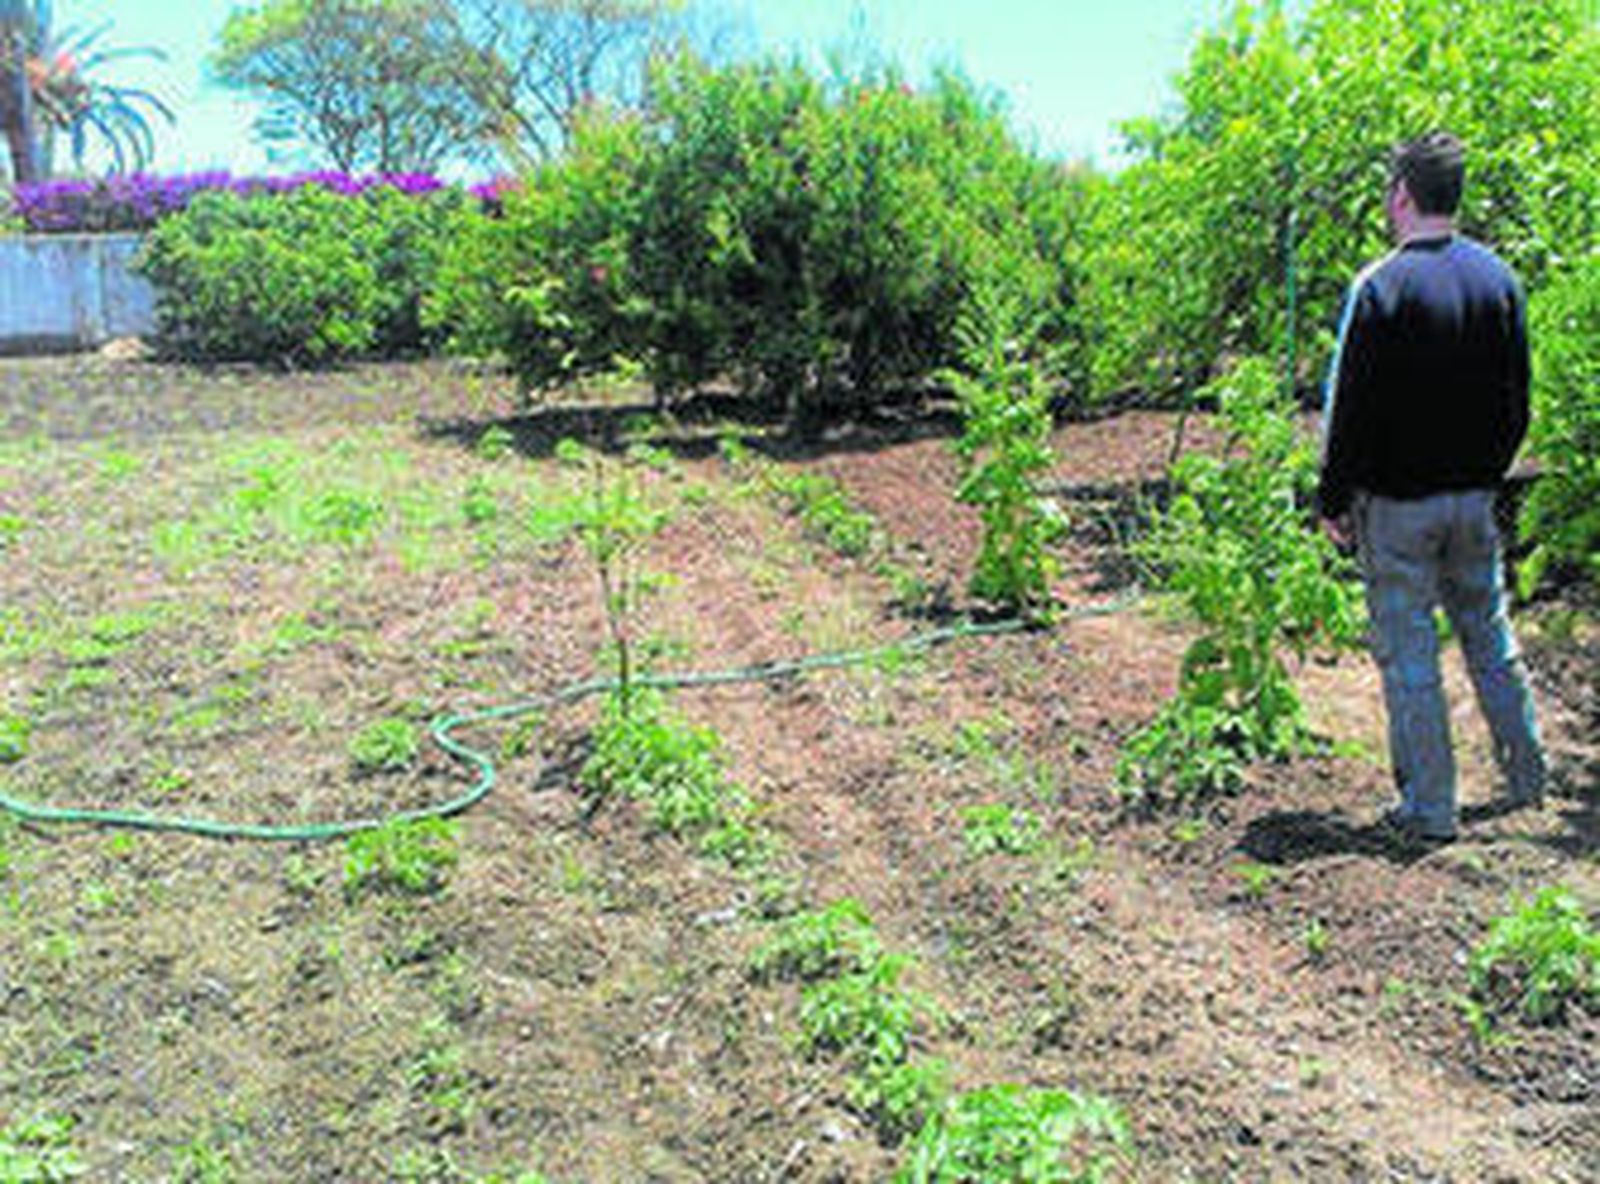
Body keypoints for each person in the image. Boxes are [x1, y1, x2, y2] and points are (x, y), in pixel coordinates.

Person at [1318, 131, 1546, 842]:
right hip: (1475, 500)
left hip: (1396, 509)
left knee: (1410, 654)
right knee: (1491, 636)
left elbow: (1347, 407)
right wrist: (1487, 471)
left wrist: (1332, 499)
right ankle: (1527, 779)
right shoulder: (1498, 280)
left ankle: (1430, 809)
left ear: (1402, 195)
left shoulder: (1378, 287)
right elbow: (1519, 402)